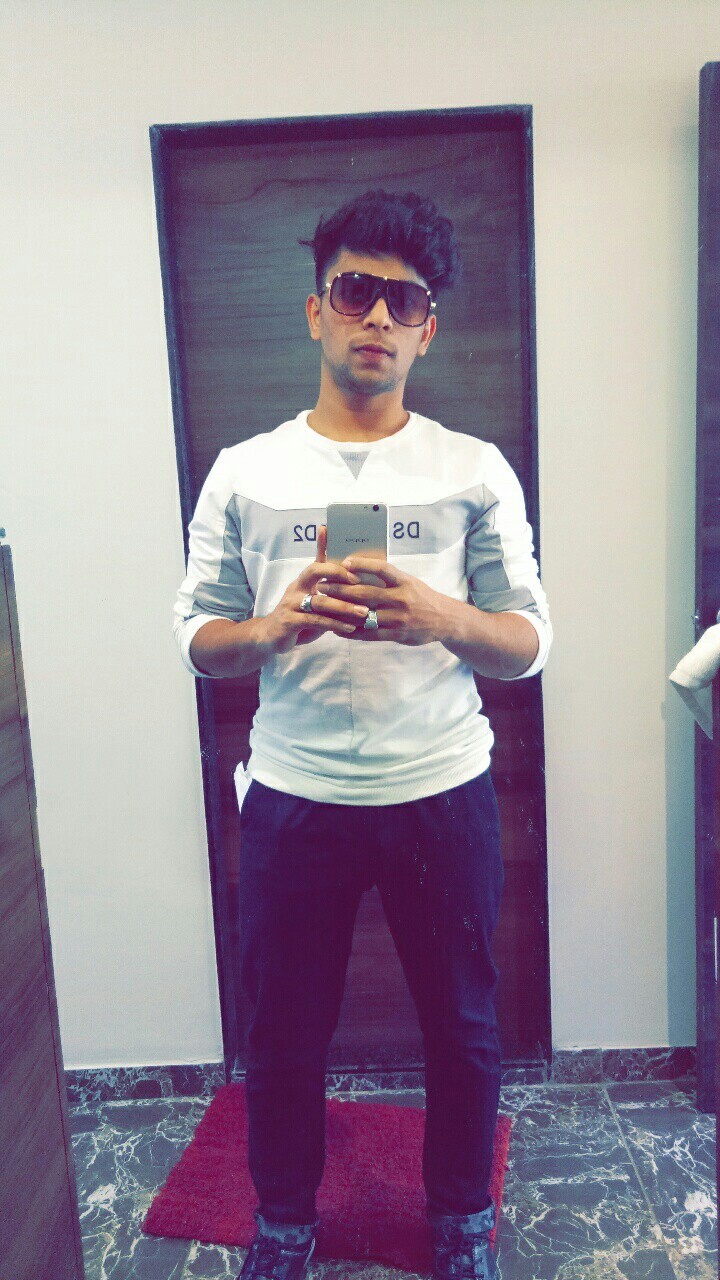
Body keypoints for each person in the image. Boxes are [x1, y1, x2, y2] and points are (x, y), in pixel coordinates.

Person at [173, 189, 552, 1280]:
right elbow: (197, 638)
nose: (378, 315)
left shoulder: (473, 469)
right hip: (295, 796)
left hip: (442, 787)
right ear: (315, 311)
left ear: (428, 329)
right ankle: (284, 1222)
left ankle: (461, 1221)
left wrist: (442, 617)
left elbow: (530, 642)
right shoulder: (245, 472)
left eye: (405, 300)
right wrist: (273, 626)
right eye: (355, 290)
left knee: (464, 1025)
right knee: (284, 1032)